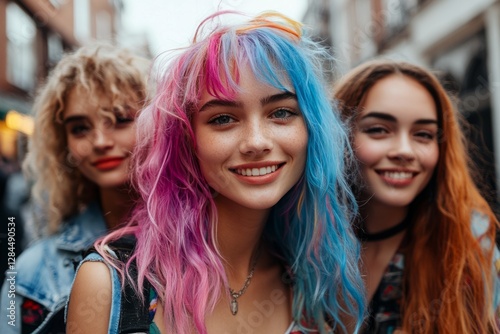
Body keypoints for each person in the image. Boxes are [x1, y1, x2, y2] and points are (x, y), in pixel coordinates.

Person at [66, 12, 366, 334]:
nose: (256, 142)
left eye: (281, 112)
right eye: (223, 119)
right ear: (186, 140)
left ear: (312, 128)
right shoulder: (110, 284)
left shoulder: (322, 280)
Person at [333, 59, 500, 333]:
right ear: (339, 136)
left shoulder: (468, 247)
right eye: (378, 130)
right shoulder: (301, 246)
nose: (404, 151)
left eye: (423, 134)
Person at [0, 44, 150, 334]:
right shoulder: (31, 272)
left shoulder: (210, 246)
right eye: (80, 127)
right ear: (63, 143)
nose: (100, 141)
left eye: (120, 119)